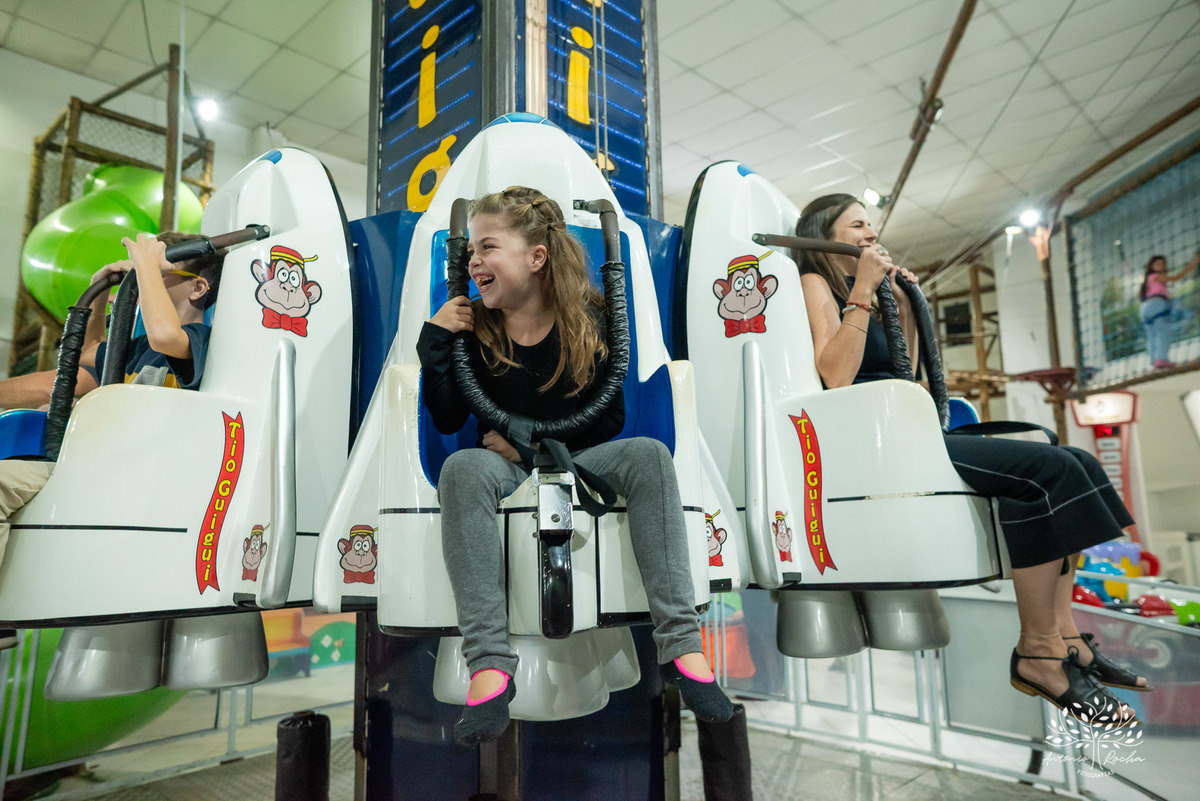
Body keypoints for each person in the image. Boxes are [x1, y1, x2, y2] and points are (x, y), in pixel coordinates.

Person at [795, 194, 1146, 726]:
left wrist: (904, 302)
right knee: (1045, 474)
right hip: (873, 440)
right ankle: (1037, 650)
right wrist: (865, 289)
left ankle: (1067, 638)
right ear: (826, 235)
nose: (871, 231)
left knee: (1072, 458)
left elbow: (907, 374)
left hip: (910, 425)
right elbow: (836, 374)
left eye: (872, 223)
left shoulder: (879, 291)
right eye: (857, 224)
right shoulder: (816, 284)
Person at [418, 186, 733, 745]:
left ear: (535, 258)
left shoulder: (588, 317)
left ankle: (682, 647)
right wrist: (437, 340)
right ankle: (490, 664)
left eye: (488, 247)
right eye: (471, 252)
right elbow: (447, 417)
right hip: (504, 470)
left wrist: (531, 445)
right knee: (463, 468)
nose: (474, 262)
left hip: (576, 460)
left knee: (648, 456)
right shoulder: (476, 326)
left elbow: (608, 417)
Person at [0, 231, 224, 648]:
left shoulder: (196, 341)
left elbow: (164, 335)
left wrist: (144, 265)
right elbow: (88, 354)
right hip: (99, 465)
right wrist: (103, 288)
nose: (144, 283)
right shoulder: (137, 349)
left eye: (161, 273)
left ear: (198, 287)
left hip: (138, 474)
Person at [1138, 251, 1199, 368]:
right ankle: (1161, 359)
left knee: (1152, 336)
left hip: (1145, 309)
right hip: (1156, 305)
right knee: (1163, 332)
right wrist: (1190, 267)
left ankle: (1154, 360)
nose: (1160, 266)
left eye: (1162, 264)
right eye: (1157, 264)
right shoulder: (1157, 276)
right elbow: (1176, 277)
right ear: (1151, 267)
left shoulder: (1148, 280)